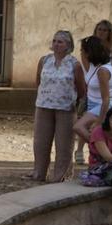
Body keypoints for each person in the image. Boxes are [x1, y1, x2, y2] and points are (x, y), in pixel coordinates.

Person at [31, 30, 83, 182]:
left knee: (64, 144)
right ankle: (39, 172)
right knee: (41, 142)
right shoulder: (44, 60)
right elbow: (38, 81)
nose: (56, 44)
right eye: (54, 41)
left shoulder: (74, 64)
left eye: (60, 42)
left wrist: (75, 101)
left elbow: (81, 88)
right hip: (43, 105)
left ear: (68, 45)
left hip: (66, 108)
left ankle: (61, 176)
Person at [74, 33, 112, 151]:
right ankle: (100, 149)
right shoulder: (94, 66)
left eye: (83, 51)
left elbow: (106, 99)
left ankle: (102, 149)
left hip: (103, 106)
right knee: (86, 130)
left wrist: (100, 121)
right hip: (93, 104)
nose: (81, 53)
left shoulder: (102, 71)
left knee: (79, 126)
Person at [93, 19, 112, 93]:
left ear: (109, 33)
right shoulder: (89, 48)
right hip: (92, 86)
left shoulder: (111, 49)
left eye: (104, 30)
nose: (101, 32)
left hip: (106, 87)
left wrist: (107, 76)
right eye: (99, 29)